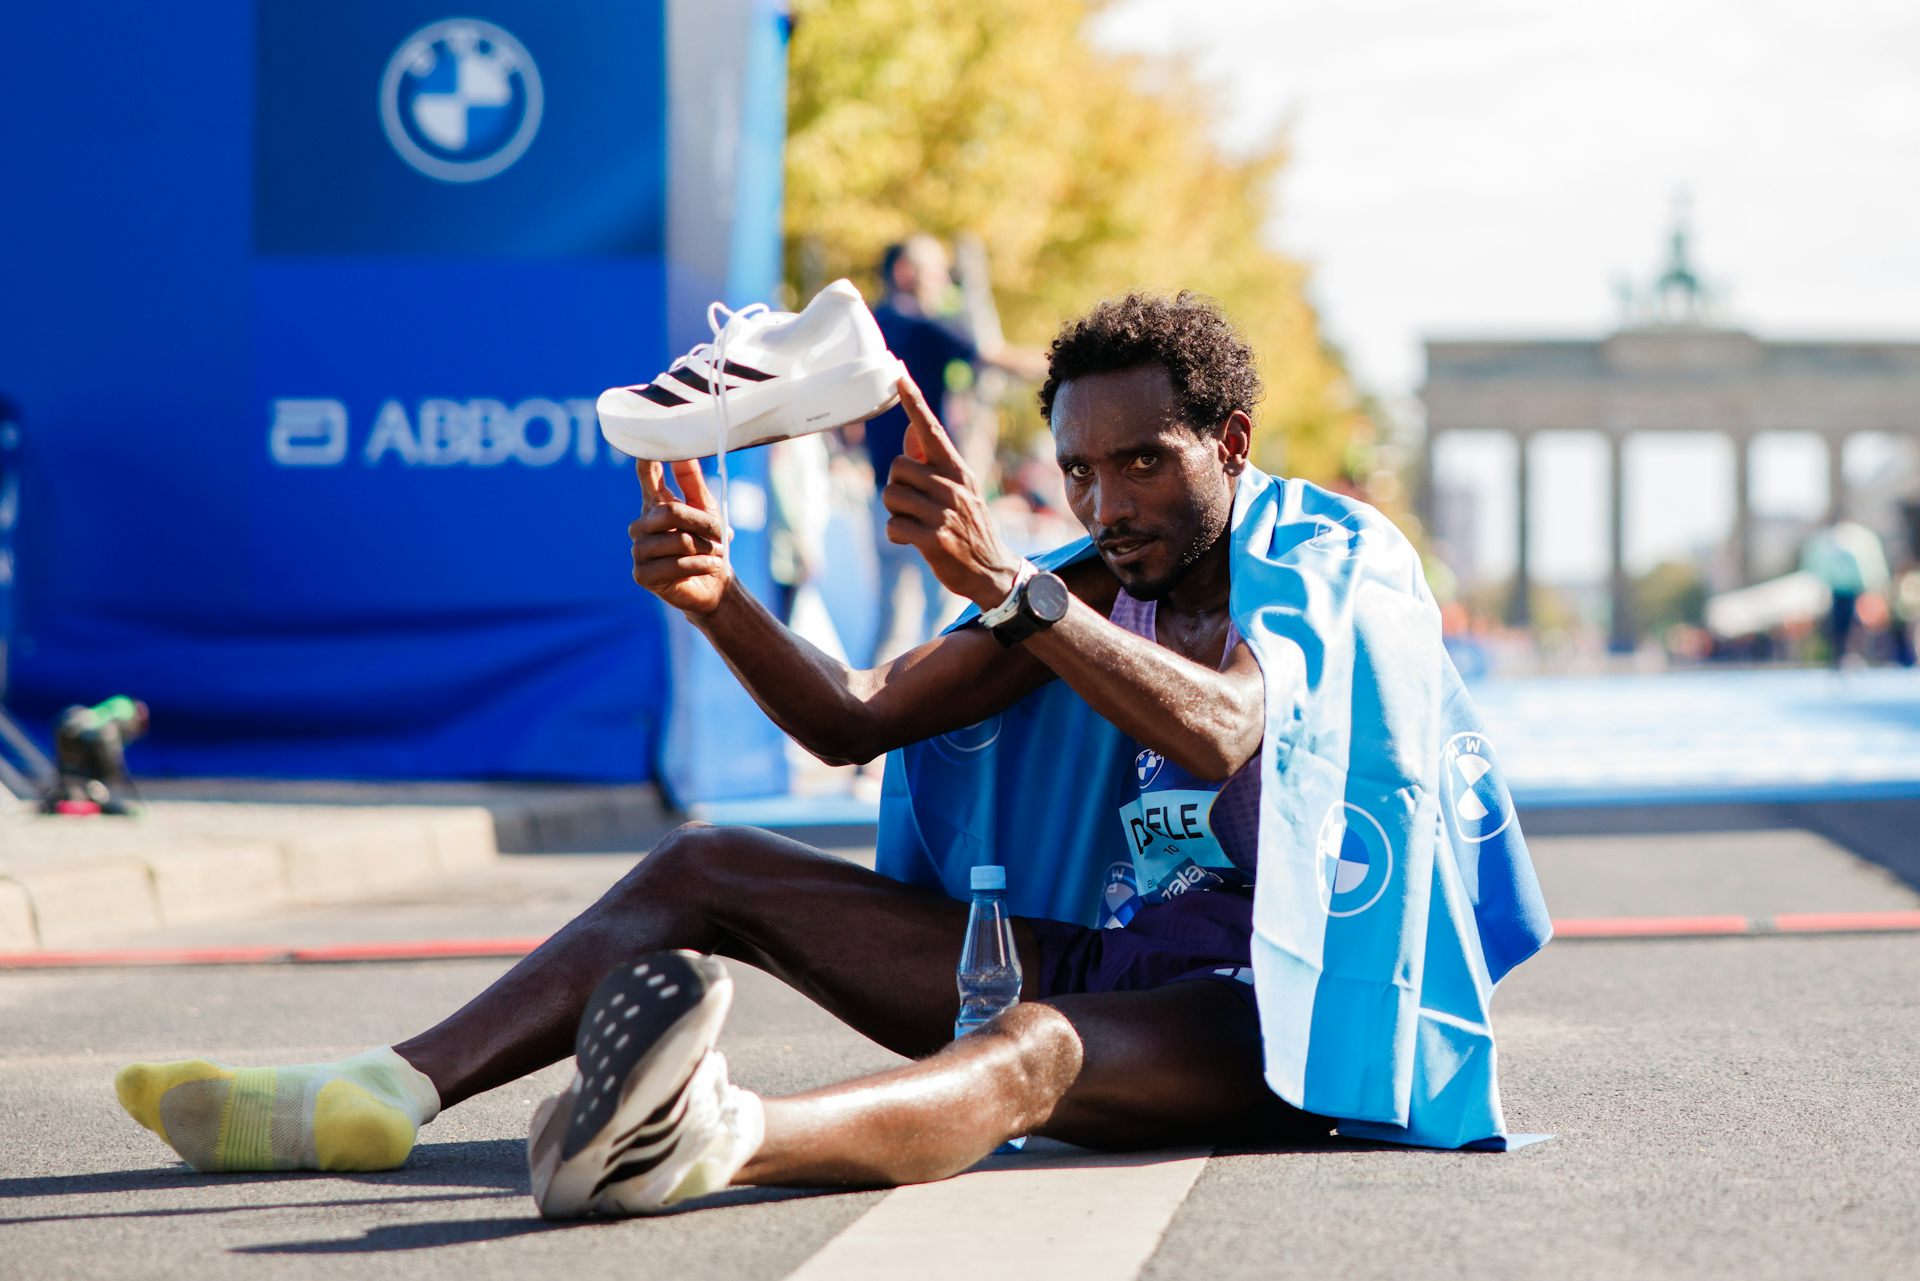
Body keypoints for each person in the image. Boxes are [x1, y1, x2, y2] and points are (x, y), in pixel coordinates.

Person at [114, 293, 1545, 1214]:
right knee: (710, 865)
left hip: (1268, 1004)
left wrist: (1014, 590)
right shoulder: (1088, 573)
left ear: (1230, 440)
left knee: (1031, 1048)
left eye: (1146, 461)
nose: (1108, 499)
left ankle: (717, 1137)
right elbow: (854, 716)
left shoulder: (1330, 555)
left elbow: (1228, 721)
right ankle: (381, 1087)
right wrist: (719, 598)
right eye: (1082, 470)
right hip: (1110, 950)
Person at [863, 235, 1045, 659]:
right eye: (934, 270)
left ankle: (869, 712)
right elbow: (993, 356)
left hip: (882, 493)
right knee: (946, 616)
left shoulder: (869, 327)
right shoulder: (924, 326)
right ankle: (929, 715)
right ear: (905, 273)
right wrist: (1068, 358)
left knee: (890, 618)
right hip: (930, 491)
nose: (944, 280)